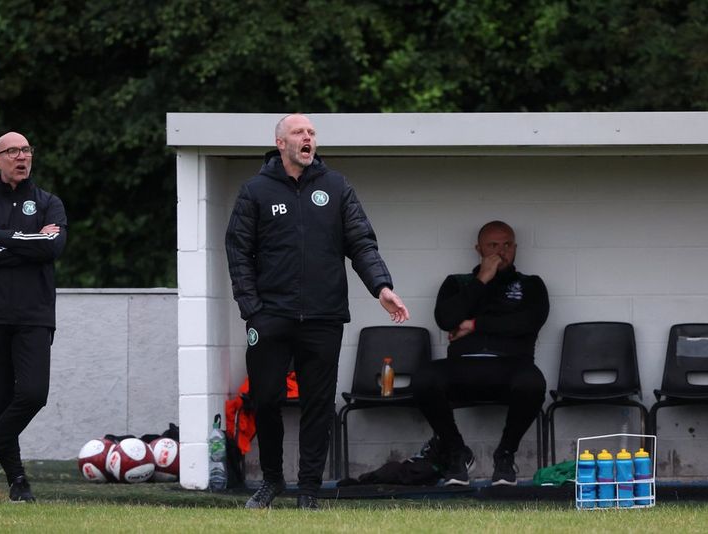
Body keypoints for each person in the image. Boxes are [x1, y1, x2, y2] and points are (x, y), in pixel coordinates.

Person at [225, 113, 409, 510]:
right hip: (270, 316)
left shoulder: (337, 187)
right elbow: (238, 250)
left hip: (324, 316)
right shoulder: (255, 191)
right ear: (281, 143)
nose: (307, 137)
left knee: (318, 404)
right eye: (298, 132)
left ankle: (308, 489)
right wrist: (251, 308)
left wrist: (382, 287)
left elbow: (361, 242)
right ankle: (272, 480)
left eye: (311, 132)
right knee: (266, 399)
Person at [0, 132, 67, 501]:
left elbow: (53, 246)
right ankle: (17, 481)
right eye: (13, 151)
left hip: (34, 313)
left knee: (34, 393)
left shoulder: (49, 203)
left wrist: (2, 236)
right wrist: (28, 243)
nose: (22, 156)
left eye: (26, 150)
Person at [413, 220, 548, 487]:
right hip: (463, 367)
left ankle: (505, 455)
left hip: (511, 366)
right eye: (493, 245)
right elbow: (445, 319)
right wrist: (482, 280)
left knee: (533, 383)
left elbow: (527, 323)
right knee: (424, 378)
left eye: (507, 245)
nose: (501, 251)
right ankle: (457, 452)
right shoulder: (457, 283)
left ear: (516, 247)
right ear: (479, 249)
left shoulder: (531, 284)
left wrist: (474, 324)